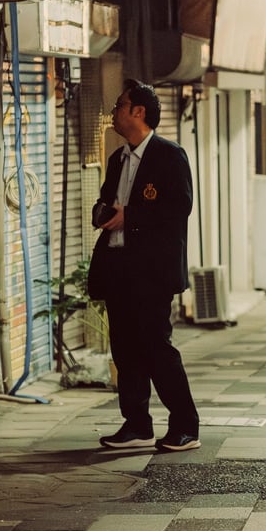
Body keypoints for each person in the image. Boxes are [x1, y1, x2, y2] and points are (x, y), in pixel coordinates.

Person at [86, 80, 200, 452]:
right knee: (125, 349)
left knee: (156, 347)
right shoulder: (118, 158)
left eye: (119, 106)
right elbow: (106, 200)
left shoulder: (170, 155)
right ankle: (137, 424)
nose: (114, 113)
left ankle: (185, 426)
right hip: (118, 268)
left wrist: (130, 216)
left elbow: (179, 207)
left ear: (138, 112)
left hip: (151, 273)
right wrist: (104, 213)